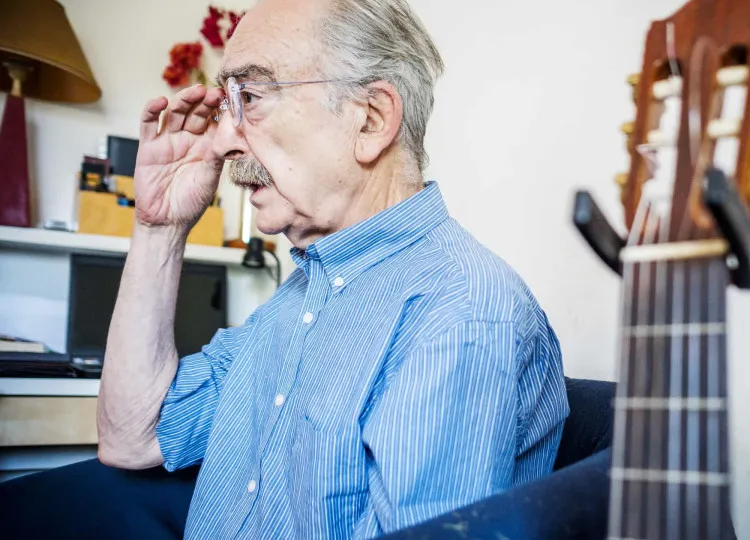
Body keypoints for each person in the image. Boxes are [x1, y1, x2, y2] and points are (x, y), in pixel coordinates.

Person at [90, 0, 568, 537]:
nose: (222, 139)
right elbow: (133, 436)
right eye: (228, 103)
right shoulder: (300, 298)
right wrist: (159, 229)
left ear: (371, 118)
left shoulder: (461, 313)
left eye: (250, 96)